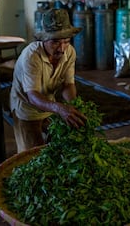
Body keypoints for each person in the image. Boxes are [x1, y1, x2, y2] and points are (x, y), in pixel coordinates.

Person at [10, 8, 87, 153]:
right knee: (32, 155)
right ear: (44, 39)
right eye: (55, 42)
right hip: (27, 106)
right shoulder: (32, 57)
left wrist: (73, 105)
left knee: (56, 147)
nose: (62, 48)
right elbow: (32, 96)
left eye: (66, 41)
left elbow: (68, 84)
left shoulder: (69, 52)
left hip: (48, 103)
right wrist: (59, 108)